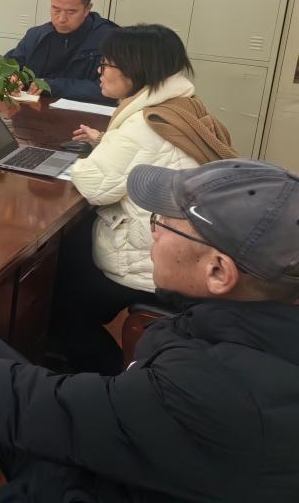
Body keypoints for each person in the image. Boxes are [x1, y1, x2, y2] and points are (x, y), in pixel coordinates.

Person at [0, 159, 299, 503]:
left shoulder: (217, 391)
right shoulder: (248, 325)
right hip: (118, 459)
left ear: (218, 271)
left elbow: (49, 407)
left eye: (163, 223)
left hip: (89, 486)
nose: (153, 231)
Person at [55, 24, 236, 374]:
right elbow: (148, 154)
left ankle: (113, 379)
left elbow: (94, 185)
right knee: (72, 246)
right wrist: (106, 143)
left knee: (61, 305)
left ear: (134, 70)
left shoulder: (143, 125)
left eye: (106, 63)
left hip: (149, 264)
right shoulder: (181, 105)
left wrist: (81, 160)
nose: (99, 71)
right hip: (192, 252)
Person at [6, 0, 117, 103]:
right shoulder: (35, 35)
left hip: (84, 113)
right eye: (56, 9)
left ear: (87, 9)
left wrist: (52, 85)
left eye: (71, 12)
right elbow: (9, 64)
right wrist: (10, 78)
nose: (61, 19)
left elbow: (114, 89)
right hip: (33, 109)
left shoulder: (112, 40)